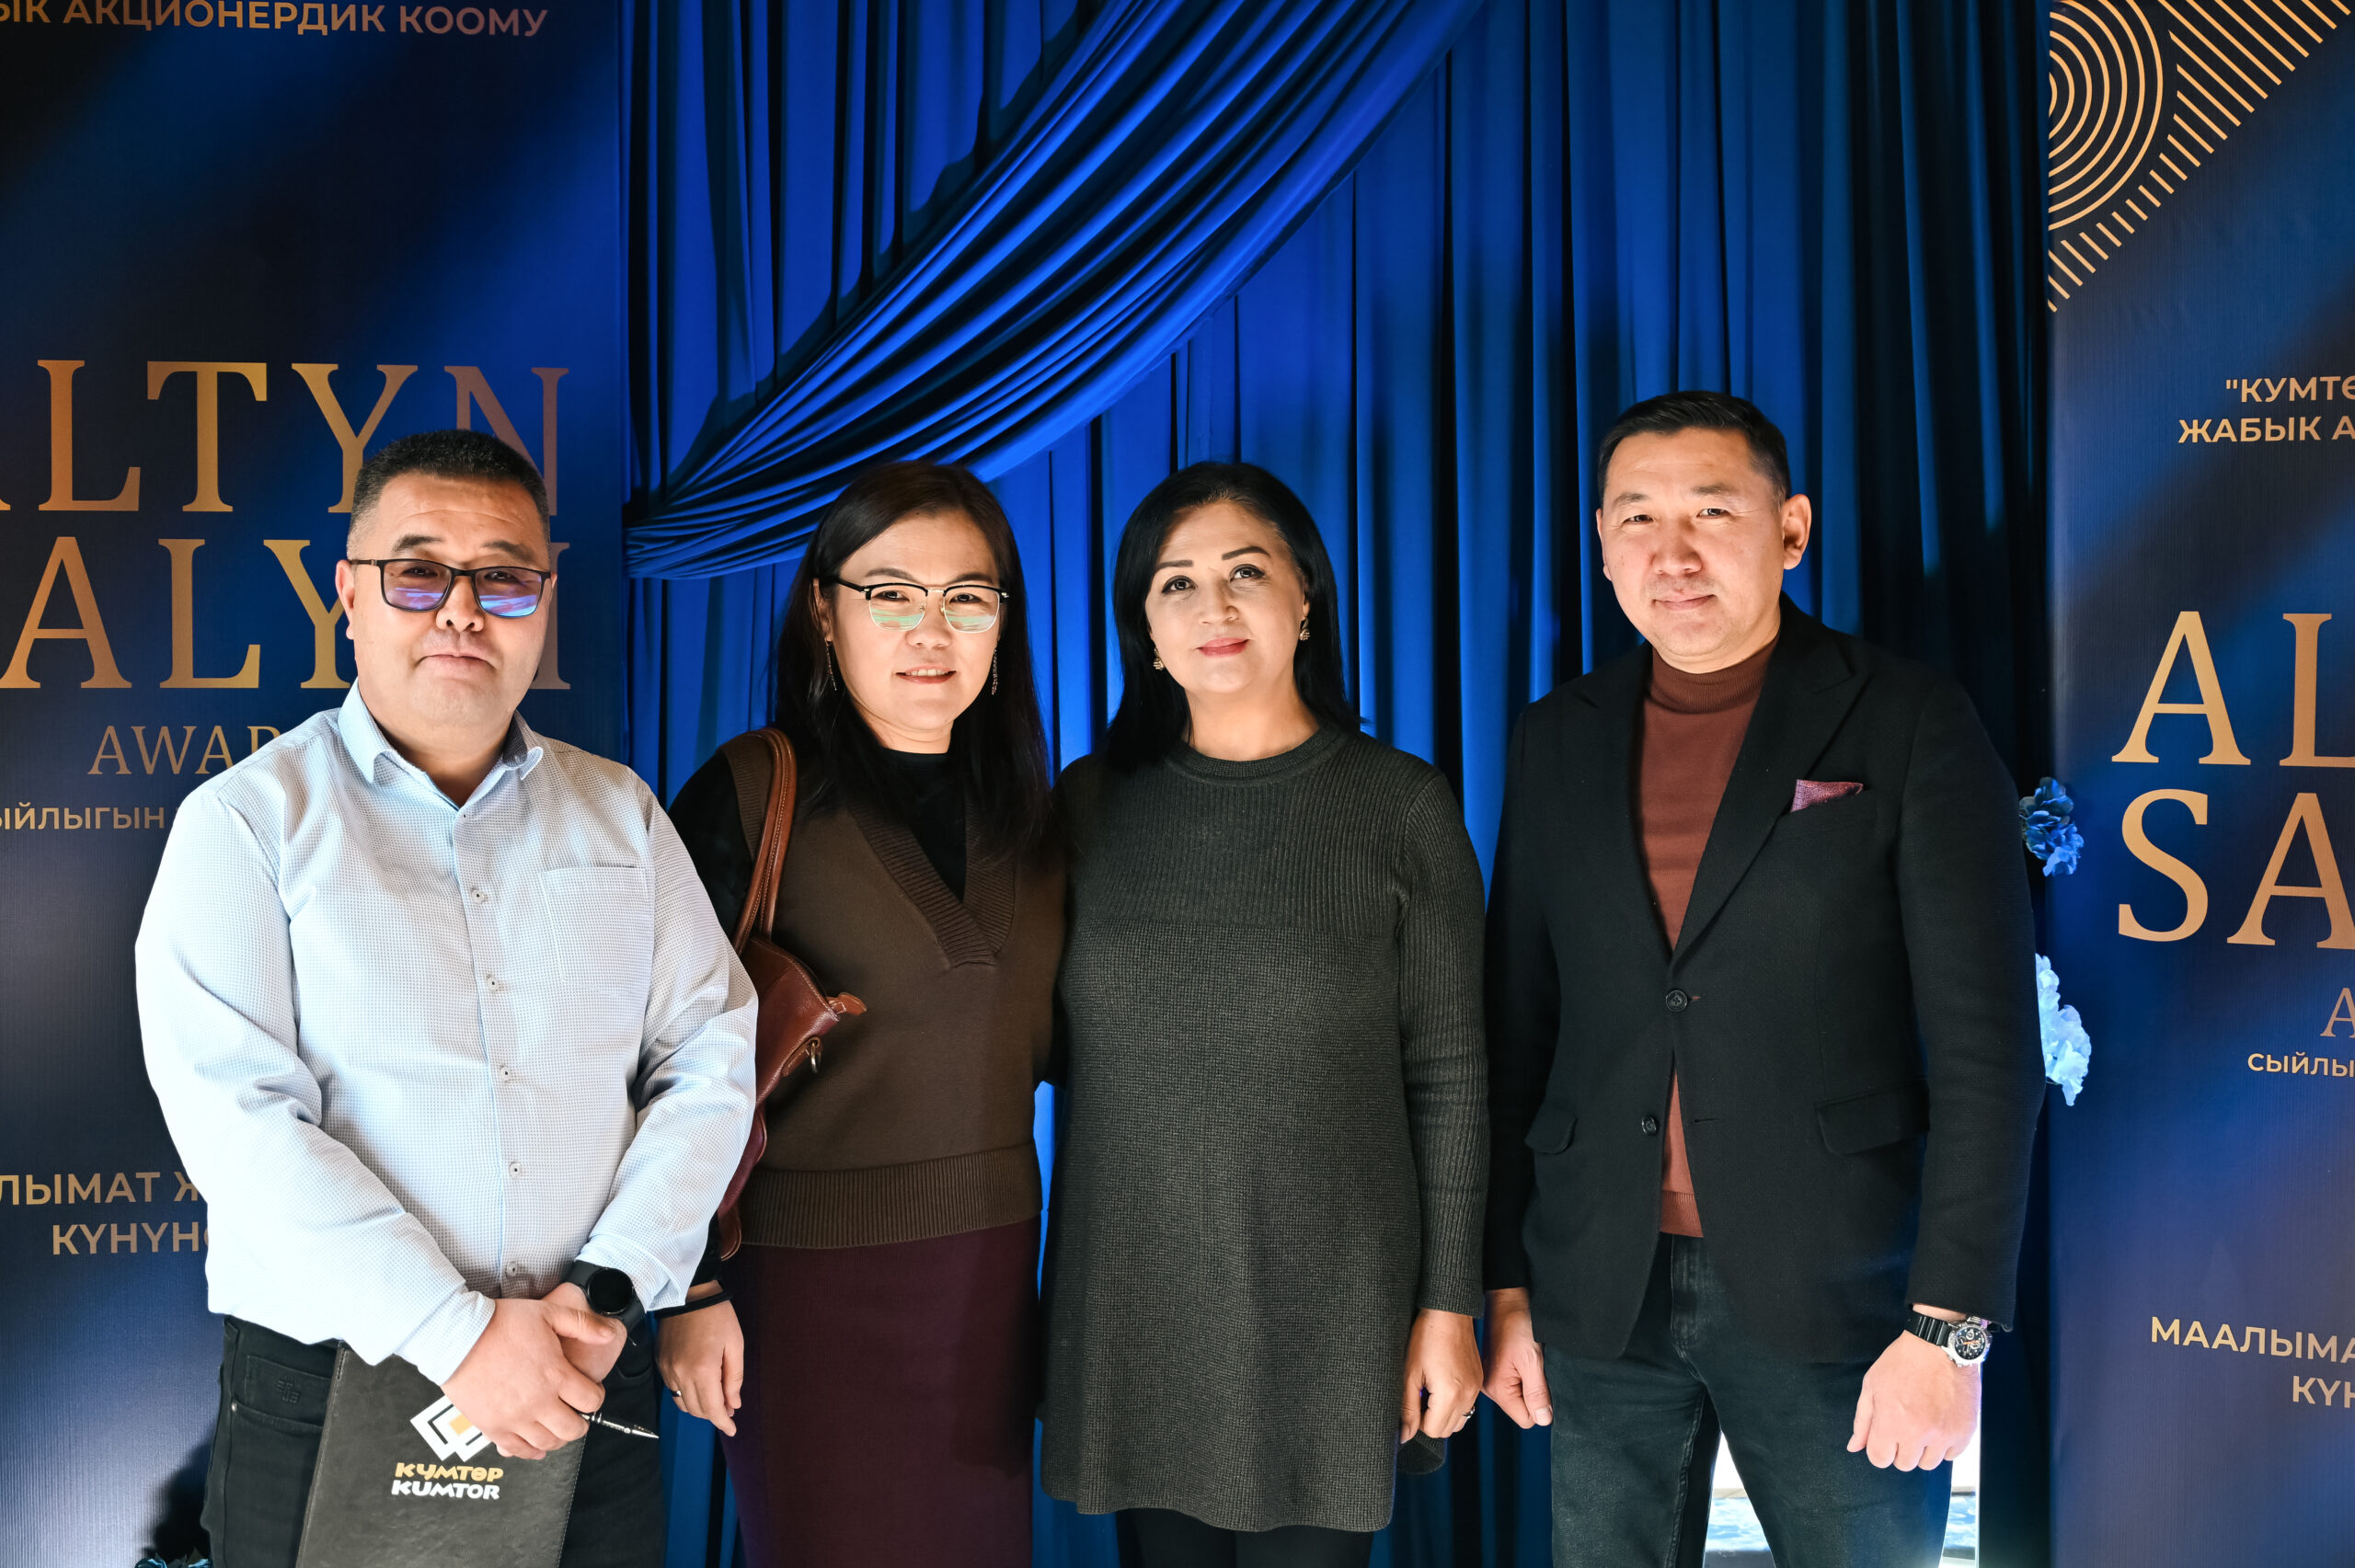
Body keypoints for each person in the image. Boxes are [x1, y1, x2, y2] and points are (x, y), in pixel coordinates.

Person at [136, 429, 757, 1568]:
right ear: (349, 596)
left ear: (543, 603)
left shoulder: (621, 814)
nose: (462, 611)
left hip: (585, 1357)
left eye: (504, 578)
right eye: (418, 573)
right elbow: (238, 1123)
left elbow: (709, 1056)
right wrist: (456, 1336)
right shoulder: (248, 822)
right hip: (333, 1375)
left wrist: (610, 1283)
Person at [1480, 390, 2045, 1567]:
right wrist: (1506, 1283)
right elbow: (1518, 1029)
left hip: (1842, 1290)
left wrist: (1948, 1331)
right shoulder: (1554, 734)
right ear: (1601, 542)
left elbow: (1989, 1050)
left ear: (1790, 529)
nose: (1671, 553)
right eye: (1637, 518)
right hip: (1597, 1283)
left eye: (1710, 511)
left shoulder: (1908, 719)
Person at [1040, 462, 1488, 1568]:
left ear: (1305, 600)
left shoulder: (1400, 804)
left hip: (1332, 1307)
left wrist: (1448, 1305)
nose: (1214, 606)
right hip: (1138, 1297)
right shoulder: (1088, 805)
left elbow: (1452, 1075)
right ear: (1145, 632)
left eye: (1246, 571)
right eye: (1175, 583)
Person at [657, 461, 1062, 1568]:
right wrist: (687, 1288)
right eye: (891, 593)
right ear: (824, 612)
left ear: (1003, 624)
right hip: (799, 1290)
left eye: (966, 597)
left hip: (987, 1288)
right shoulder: (753, 790)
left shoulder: (1035, 817)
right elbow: (647, 1056)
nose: (930, 629)